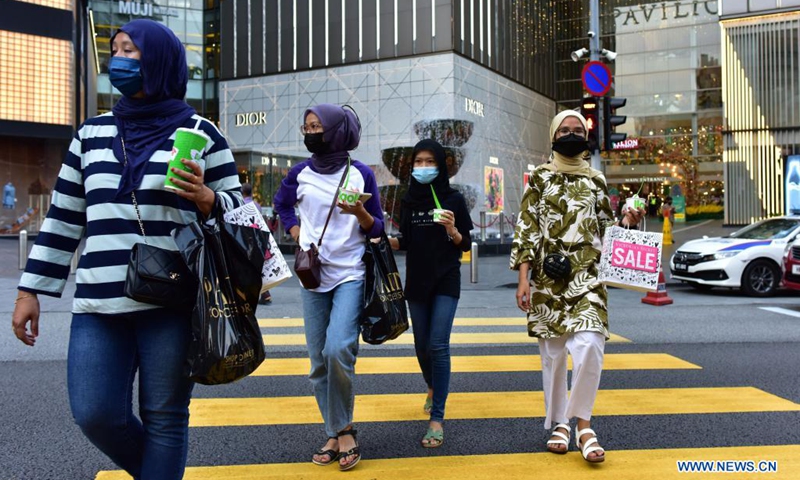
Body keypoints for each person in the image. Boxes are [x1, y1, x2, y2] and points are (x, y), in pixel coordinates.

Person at [10, 20, 242, 480]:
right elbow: (64, 217)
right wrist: (29, 289)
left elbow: (241, 215)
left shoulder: (202, 133)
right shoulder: (90, 135)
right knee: (96, 413)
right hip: (100, 300)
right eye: (115, 50)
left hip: (173, 301)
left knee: (165, 418)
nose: (120, 60)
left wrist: (206, 198)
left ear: (158, 60)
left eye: (131, 51)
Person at [509, 110, 643, 464]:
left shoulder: (596, 180)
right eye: (564, 130)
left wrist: (627, 220)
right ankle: (559, 424)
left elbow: (606, 230)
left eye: (577, 130)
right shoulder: (538, 178)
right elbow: (527, 229)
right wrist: (523, 278)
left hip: (589, 277)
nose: (571, 134)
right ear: (553, 136)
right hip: (547, 282)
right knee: (553, 358)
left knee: (589, 348)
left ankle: (583, 424)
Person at [273, 103, 383, 471]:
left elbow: (378, 229)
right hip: (312, 274)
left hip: (350, 273)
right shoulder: (299, 173)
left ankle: (344, 429)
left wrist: (360, 214)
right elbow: (282, 205)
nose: (311, 133)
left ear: (337, 130)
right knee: (318, 361)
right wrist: (295, 233)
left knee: (338, 349)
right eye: (306, 127)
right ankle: (337, 431)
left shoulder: (361, 174)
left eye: (318, 126)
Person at [387, 139, 472, 448]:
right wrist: (383, 241)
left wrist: (452, 230)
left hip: (446, 279)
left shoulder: (454, 199)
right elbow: (406, 240)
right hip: (417, 282)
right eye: (418, 162)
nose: (423, 167)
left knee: (438, 345)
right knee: (421, 346)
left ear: (439, 164)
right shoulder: (409, 200)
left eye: (428, 161)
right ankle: (431, 386)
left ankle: (437, 418)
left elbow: (464, 244)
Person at [242, 182, 272, 305]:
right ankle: (265, 293)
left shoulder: (241, 204)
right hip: (258, 237)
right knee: (257, 265)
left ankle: (262, 293)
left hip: (246, 238)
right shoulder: (257, 205)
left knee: (248, 266)